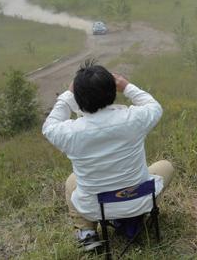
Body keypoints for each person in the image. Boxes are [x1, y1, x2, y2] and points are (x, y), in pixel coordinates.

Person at [42, 62, 173, 252]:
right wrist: (127, 86)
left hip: (97, 208)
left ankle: (87, 233)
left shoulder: (71, 132)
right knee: (166, 166)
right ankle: (132, 220)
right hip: (139, 199)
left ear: (78, 98)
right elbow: (154, 107)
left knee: (72, 181)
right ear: (113, 92)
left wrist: (68, 95)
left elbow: (49, 126)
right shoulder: (132, 119)